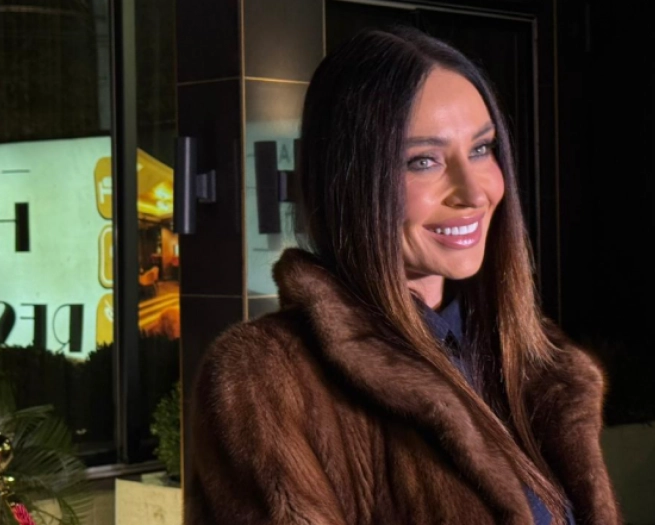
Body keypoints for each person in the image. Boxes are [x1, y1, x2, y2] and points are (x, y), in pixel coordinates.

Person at [185, 27, 621, 525]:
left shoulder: (529, 357)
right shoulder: (268, 378)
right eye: (423, 161)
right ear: (351, 181)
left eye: (481, 149)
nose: (473, 192)